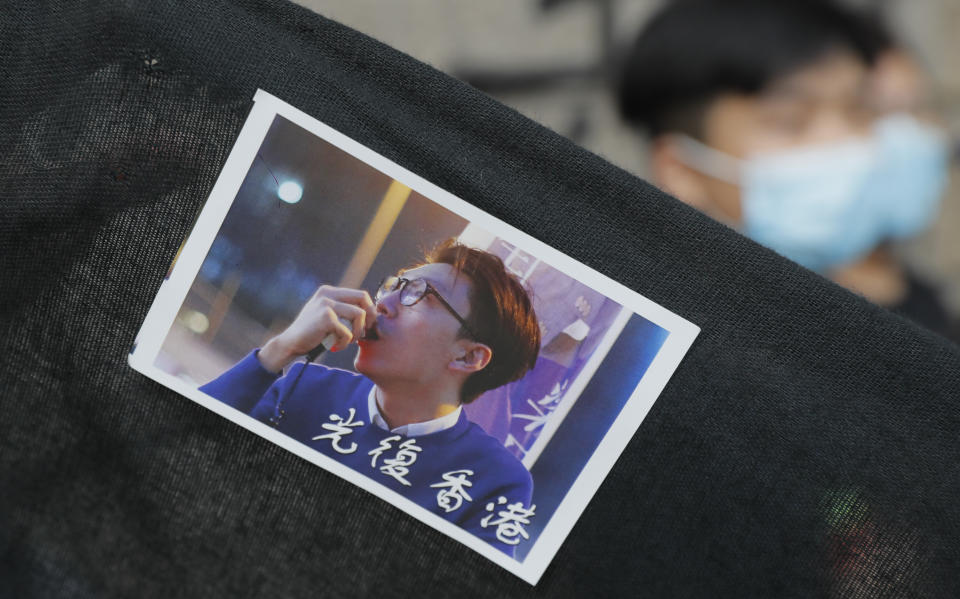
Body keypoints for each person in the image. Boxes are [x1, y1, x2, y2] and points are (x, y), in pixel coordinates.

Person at [617, 0, 956, 339]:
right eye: (790, 121)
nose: (844, 143)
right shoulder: (670, 340)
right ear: (682, 171)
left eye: (859, 111)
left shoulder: (912, 304)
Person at [199, 239, 542, 556]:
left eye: (421, 296)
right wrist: (279, 349)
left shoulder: (496, 483)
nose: (383, 304)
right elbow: (183, 440)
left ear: (468, 358)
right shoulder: (305, 386)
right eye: (395, 286)